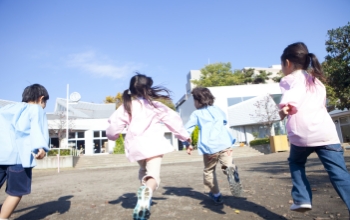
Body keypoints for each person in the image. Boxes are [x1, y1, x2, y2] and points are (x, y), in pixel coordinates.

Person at [106, 73, 191, 220]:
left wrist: (112, 137)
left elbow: (113, 127)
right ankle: (147, 192)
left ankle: (144, 198)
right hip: (154, 145)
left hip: (136, 147)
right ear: (148, 89)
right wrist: (185, 138)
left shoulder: (126, 106)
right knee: (154, 177)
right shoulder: (155, 106)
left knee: (143, 170)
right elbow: (174, 122)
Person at [278, 42, 350, 214]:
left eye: (282, 66)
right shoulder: (317, 82)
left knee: (296, 162)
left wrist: (285, 106)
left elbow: (294, 91)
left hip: (302, 135)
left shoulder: (291, 79)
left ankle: (302, 198)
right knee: (339, 173)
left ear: (288, 63)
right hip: (326, 134)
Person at [184, 87, 242, 205]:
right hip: (225, 144)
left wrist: (187, 143)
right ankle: (230, 170)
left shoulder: (196, 113)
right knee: (227, 164)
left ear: (198, 101)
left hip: (209, 147)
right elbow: (224, 121)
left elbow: (187, 130)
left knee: (209, 171)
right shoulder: (217, 109)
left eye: (194, 101)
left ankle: (216, 195)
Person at [0, 84, 50, 220]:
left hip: (1, 155)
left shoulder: (6, 109)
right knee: (16, 191)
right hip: (19, 158)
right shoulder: (36, 109)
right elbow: (36, 128)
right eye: (45, 103)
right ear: (41, 98)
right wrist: (41, 148)